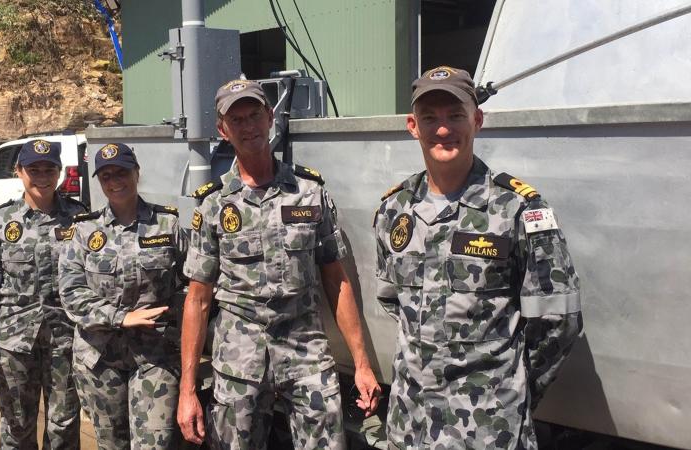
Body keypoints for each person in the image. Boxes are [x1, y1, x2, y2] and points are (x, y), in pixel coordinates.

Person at [374, 66, 583, 449]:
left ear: (477, 119)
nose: (443, 128)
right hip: (410, 425)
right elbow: (393, 299)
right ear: (412, 125)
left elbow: (558, 320)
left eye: (455, 115)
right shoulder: (395, 209)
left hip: (488, 428)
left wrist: (511, 390)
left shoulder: (518, 208)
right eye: (430, 117)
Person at [177, 79, 381, 450]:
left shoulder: (309, 191)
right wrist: (187, 390)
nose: (248, 126)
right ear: (223, 130)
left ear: (270, 118)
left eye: (254, 114)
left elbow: (336, 281)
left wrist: (362, 364)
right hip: (239, 358)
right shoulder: (213, 204)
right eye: (236, 119)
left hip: (305, 352)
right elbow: (198, 299)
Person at [58, 143, 184, 450]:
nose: (115, 181)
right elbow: (71, 291)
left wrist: (175, 316)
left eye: (122, 172)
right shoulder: (84, 231)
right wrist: (120, 317)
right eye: (106, 176)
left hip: (155, 356)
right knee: (112, 444)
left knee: (156, 443)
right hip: (101, 358)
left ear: (137, 173)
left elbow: (192, 282)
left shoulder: (167, 223)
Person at [0, 139, 86, 449]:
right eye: (34, 169)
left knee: (64, 426)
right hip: (14, 344)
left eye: (50, 169)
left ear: (59, 172)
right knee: (16, 426)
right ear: (19, 171)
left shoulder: (80, 219)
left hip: (66, 342)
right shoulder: (1, 222)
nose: (42, 176)